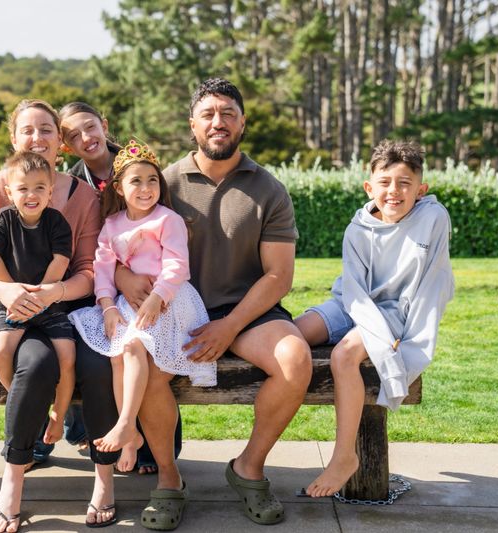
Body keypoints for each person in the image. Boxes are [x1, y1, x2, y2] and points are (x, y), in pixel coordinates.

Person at [116, 78, 312, 529]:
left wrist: (229, 327)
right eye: (208, 114)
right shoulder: (162, 182)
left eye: (227, 113)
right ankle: (168, 481)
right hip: (178, 312)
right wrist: (124, 277)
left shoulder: (269, 189)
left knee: (296, 359)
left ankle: (249, 468)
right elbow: (120, 240)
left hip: (249, 314)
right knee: (140, 370)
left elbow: (279, 276)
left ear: (243, 122)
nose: (218, 122)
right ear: (193, 125)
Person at [0, 99, 120, 532]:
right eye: (28, 130)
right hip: (3, 307)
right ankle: (13, 480)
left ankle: (104, 478)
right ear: (13, 139)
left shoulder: (81, 199)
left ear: (60, 143)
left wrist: (53, 292)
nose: (37, 138)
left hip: (68, 306)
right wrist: (3, 290)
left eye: (46, 130)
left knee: (98, 367)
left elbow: (88, 269)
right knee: (36, 365)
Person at [296, 139, 455, 498]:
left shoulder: (433, 218)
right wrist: (372, 329)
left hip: (397, 310)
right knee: (289, 338)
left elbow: (434, 281)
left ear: (421, 189)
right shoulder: (358, 230)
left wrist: (407, 336)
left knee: (344, 355)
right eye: (385, 182)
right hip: (352, 301)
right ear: (369, 187)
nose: (394, 191)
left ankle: (343, 456)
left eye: (404, 183)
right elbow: (353, 291)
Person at [69, 140, 215, 474]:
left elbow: (177, 266)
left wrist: (157, 296)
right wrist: (106, 307)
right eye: (136, 181)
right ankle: (131, 432)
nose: (146, 188)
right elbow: (102, 270)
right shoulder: (112, 225)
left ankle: (124, 424)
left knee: (133, 345)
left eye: (152, 180)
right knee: (119, 353)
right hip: (129, 303)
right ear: (119, 188)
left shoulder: (168, 220)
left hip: (170, 301)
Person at [59, 102, 184, 475]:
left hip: (160, 292)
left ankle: (152, 449)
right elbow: (96, 252)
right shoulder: (72, 184)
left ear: (104, 125)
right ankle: (104, 433)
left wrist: (150, 288)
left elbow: (175, 256)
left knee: (146, 358)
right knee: (109, 353)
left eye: (90, 127)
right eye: (73, 135)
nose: (86, 138)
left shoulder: (141, 169)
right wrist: (115, 285)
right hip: (107, 291)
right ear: (66, 145)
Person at [0, 151, 75, 449]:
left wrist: (42, 296)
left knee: (67, 355)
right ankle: (26, 403)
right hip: (13, 300)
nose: (30, 194)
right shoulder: (2, 220)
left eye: (38, 188)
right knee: (0, 349)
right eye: (22, 188)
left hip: (48, 301)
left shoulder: (56, 222)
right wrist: (12, 293)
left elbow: (61, 260)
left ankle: (58, 416)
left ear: (50, 191)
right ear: (9, 192)